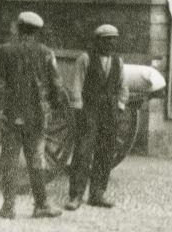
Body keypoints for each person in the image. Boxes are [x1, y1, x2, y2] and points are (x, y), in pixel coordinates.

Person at [0, 11, 66, 220]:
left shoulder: (5, 51)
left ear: (19, 27)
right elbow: (56, 85)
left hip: (12, 115)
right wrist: (54, 105)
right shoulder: (46, 53)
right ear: (36, 31)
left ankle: (8, 207)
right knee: (37, 160)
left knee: (9, 161)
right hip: (37, 117)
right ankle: (41, 205)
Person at [65, 24, 129, 211]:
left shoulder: (118, 61)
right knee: (83, 152)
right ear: (98, 41)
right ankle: (76, 195)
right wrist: (79, 108)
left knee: (106, 152)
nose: (110, 43)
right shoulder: (85, 59)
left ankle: (97, 193)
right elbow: (77, 84)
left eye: (113, 40)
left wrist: (120, 105)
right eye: (106, 39)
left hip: (109, 113)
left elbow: (123, 86)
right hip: (89, 111)